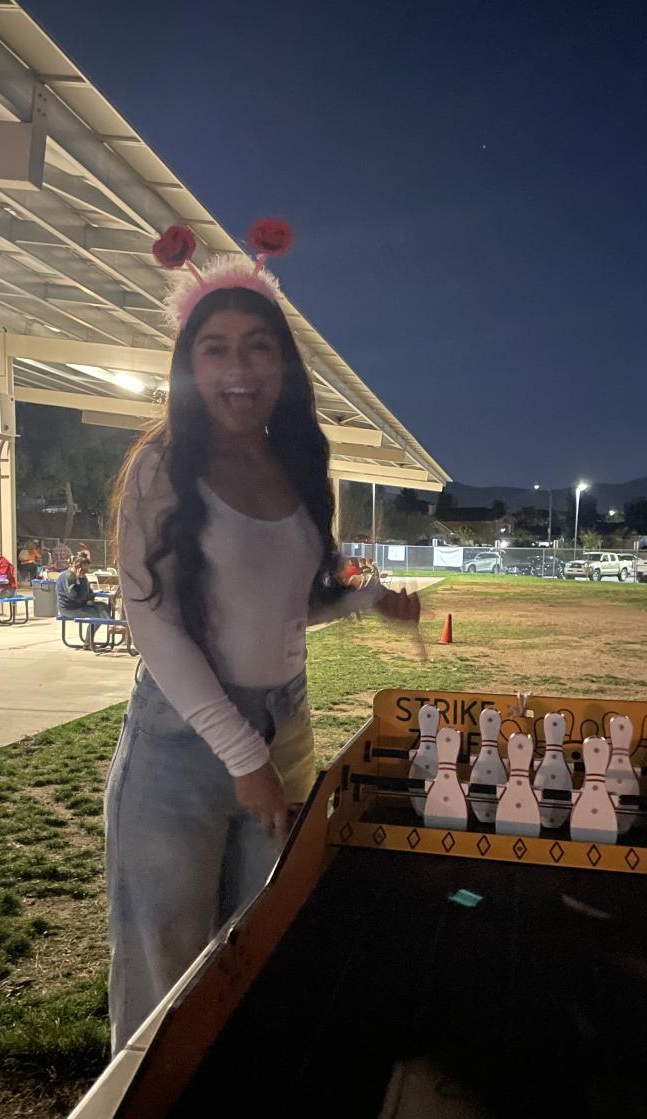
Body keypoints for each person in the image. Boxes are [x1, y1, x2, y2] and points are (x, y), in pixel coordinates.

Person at [105, 218, 420, 1052]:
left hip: (286, 730)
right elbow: (152, 621)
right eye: (215, 350)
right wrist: (243, 757)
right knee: (162, 968)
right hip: (182, 748)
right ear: (189, 365)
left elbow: (284, 605)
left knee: (256, 946)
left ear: (283, 364)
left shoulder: (301, 469)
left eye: (257, 348)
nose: (238, 370)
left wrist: (369, 600)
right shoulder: (160, 468)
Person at [56, 554, 112, 620]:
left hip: (80, 605)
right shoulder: (68, 576)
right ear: (77, 568)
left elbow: (89, 591)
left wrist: (89, 598)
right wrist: (80, 579)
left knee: (104, 607)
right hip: (69, 608)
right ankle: (109, 623)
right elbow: (74, 596)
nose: (86, 572)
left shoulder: (83, 577)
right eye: (85, 570)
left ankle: (108, 622)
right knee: (96, 614)